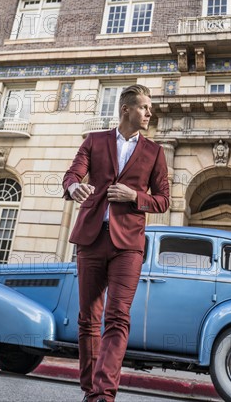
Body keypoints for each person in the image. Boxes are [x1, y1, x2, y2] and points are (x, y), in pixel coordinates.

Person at [63, 84, 170, 402]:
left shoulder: (154, 152)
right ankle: (90, 389)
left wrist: (135, 196)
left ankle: (103, 395)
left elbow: (163, 200)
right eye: (145, 107)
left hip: (129, 246)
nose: (150, 112)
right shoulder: (94, 140)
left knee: (118, 316)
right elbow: (73, 174)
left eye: (150, 108)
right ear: (127, 109)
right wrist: (73, 189)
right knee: (88, 318)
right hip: (92, 239)